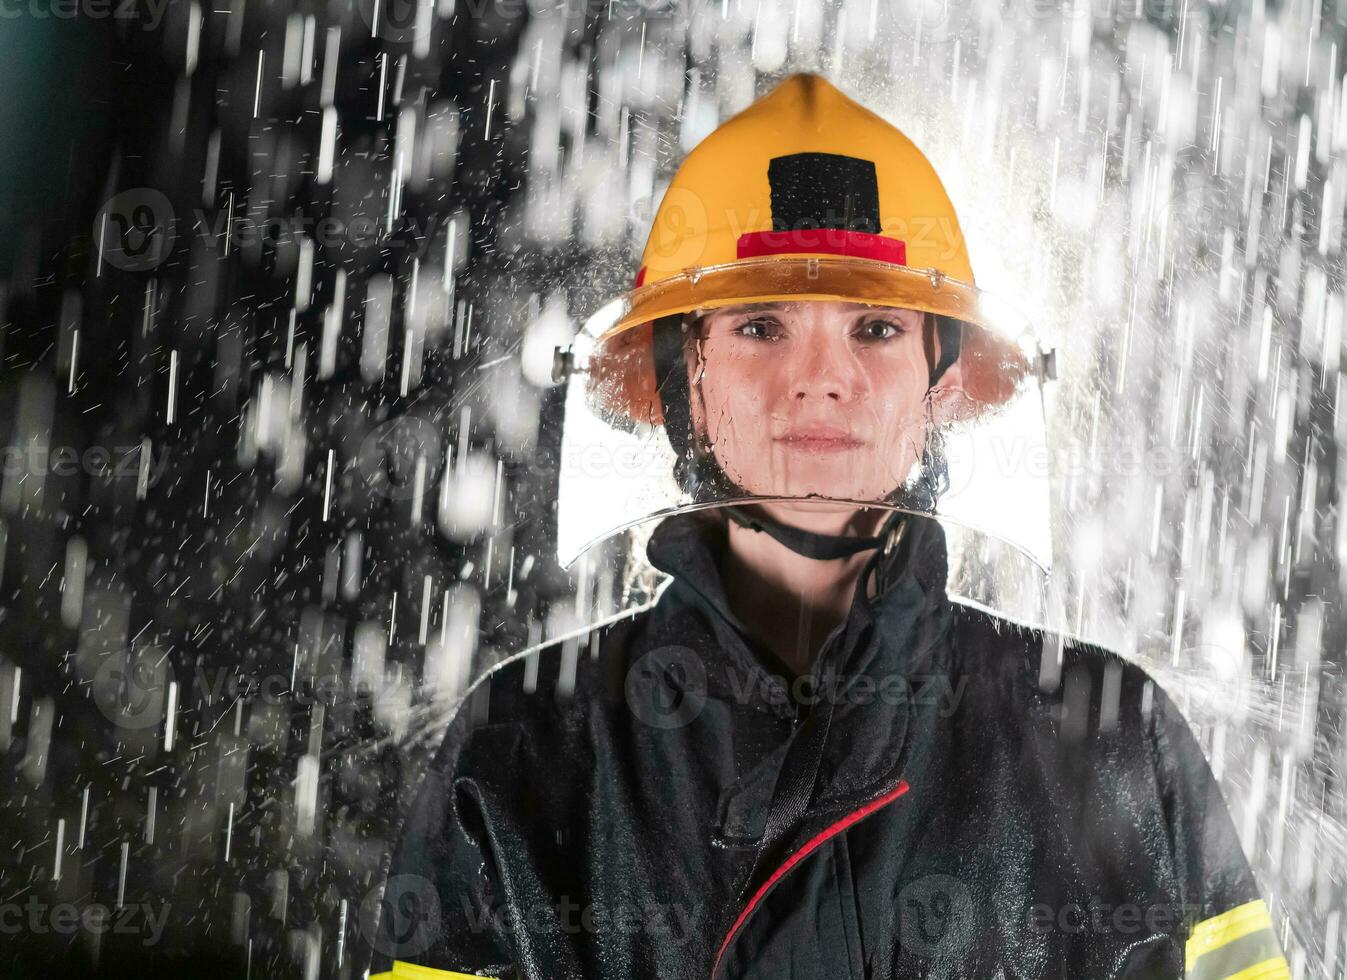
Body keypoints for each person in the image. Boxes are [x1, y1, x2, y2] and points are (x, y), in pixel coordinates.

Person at [368, 72, 1289, 979]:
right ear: (686, 374)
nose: (821, 376)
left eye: (877, 329)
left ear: (942, 376)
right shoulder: (527, 744)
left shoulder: (1108, 735)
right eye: (762, 326)